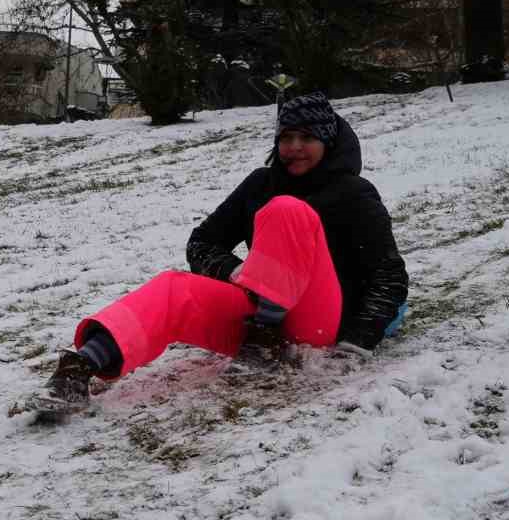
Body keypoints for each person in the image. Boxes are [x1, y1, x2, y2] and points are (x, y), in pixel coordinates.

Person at [30, 92, 410, 415]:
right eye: (287, 136)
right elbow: (201, 243)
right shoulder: (260, 183)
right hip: (257, 331)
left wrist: (355, 344)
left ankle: (266, 334)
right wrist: (243, 275)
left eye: (307, 137)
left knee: (285, 210)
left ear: (328, 141)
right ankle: (80, 367)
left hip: (321, 323)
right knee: (172, 288)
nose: (294, 147)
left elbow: (389, 276)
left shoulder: (354, 193)